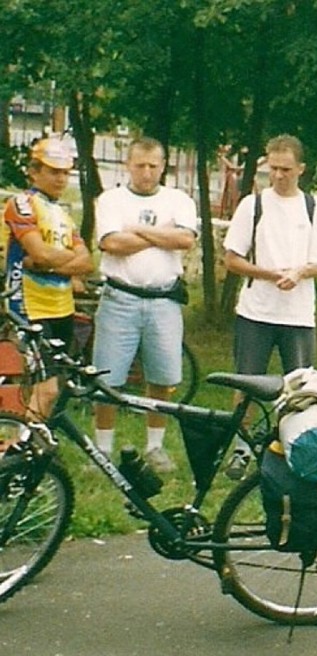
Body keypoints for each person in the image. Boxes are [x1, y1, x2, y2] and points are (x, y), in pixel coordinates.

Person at [222, 134, 317, 479]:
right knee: (247, 384)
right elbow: (232, 259)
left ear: (301, 169)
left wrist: (299, 272)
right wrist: (269, 274)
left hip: (298, 314)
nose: (279, 175)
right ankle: (240, 450)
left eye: (286, 169)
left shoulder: (316, 208)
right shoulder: (252, 205)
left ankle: (294, 448)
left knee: (300, 387)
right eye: (273, 169)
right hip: (256, 311)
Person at [92, 137, 198, 472]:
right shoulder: (111, 200)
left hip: (163, 300)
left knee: (162, 377)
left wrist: (135, 230)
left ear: (163, 166)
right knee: (107, 377)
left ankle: (154, 446)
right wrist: (158, 233)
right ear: (128, 164)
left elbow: (186, 239)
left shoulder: (179, 200)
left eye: (153, 165)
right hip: (119, 298)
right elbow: (111, 243)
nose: (147, 172)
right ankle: (102, 450)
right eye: (140, 165)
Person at [2, 138, 94, 418]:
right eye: (54, 171)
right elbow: (38, 253)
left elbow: (87, 261)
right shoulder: (21, 204)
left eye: (66, 172)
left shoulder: (63, 214)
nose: (61, 178)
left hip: (62, 308)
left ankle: (35, 448)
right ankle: (26, 452)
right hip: (28, 308)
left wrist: (51, 266)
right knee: (48, 387)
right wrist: (64, 260)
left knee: (52, 386)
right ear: (34, 171)